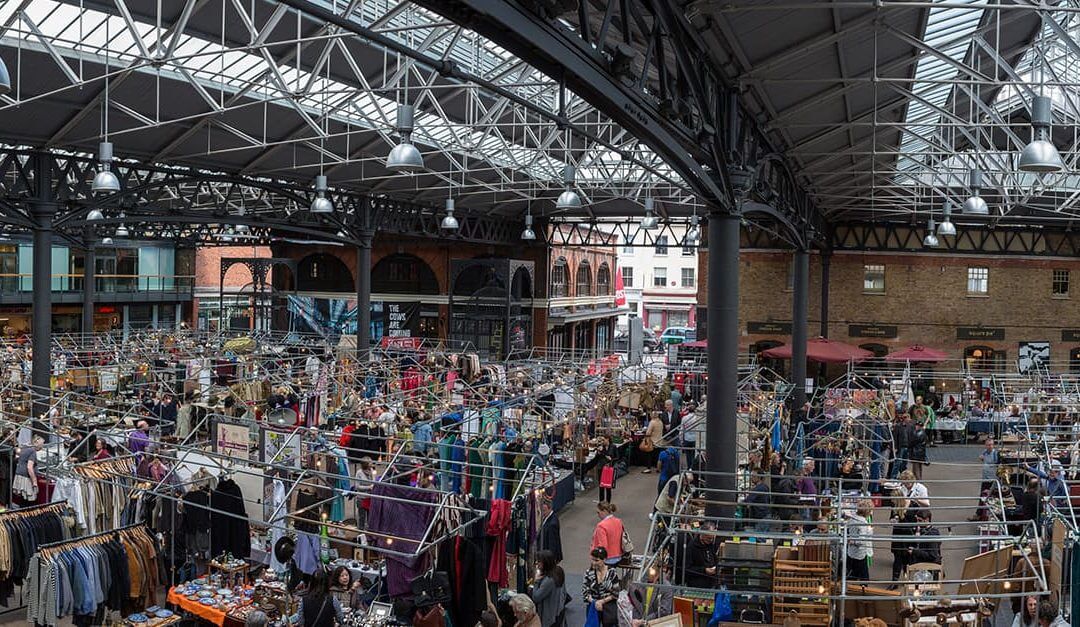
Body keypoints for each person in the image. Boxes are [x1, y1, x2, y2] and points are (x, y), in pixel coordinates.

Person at [582, 548, 620, 627]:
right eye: (592, 560)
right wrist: (595, 602)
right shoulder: (589, 573)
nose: (593, 563)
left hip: (608, 605)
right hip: (593, 605)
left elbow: (616, 593)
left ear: (604, 560)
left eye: (597, 560)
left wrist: (602, 601)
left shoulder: (612, 572)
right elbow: (585, 592)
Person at [530, 550, 565, 627]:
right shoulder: (559, 570)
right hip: (558, 611)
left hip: (548, 616)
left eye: (539, 561)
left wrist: (536, 581)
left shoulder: (549, 580)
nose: (537, 563)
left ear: (546, 563)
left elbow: (536, 597)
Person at [844, 499, 874, 581]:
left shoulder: (852, 519)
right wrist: (870, 531)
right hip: (860, 552)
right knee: (862, 575)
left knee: (854, 572)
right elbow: (861, 540)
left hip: (851, 551)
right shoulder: (862, 522)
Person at [683, 521, 718, 588]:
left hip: (711, 583)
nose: (711, 540)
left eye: (712, 538)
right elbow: (688, 569)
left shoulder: (710, 545)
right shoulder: (692, 547)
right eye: (708, 538)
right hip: (697, 585)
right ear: (702, 535)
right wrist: (704, 570)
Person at [889, 495, 914, 581]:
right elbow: (891, 519)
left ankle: (906, 579)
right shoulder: (895, 507)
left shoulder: (912, 506)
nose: (893, 503)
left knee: (907, 560)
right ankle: (894, 581)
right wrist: (893, 520)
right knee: (897, 560)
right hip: (897, 536)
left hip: (908, 536)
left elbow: (915, 521)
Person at [13, 436, 44, 505]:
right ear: (37, 443)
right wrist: (34, 481)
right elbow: (29, 467)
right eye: (42, 444)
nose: (42, 446)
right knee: (29, 498)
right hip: (26, 478)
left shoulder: (25, 447)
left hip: (19, 474)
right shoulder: (32, 451)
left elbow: (17, 457)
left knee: (22, 498)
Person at [538, 498, 563, 563]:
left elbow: (552, 544)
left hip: (548, 558)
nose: (542, 512)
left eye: (544, 510)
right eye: (541, 510)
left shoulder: (552, 524)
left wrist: (550, 560)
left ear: (550, 508)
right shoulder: (547, 518)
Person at [596, 436, 617, 503]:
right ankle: (601, 503)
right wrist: (599, 452)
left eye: (603, 440)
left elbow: (617, 457)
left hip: (609, 469)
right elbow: (597, 458)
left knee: (608, 488)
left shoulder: (613, 447)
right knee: (601, 487)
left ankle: (608, 503)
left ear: (607, 439)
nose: (602, 442)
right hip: (601, 468)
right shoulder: (601, 447)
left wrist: (612, 460)